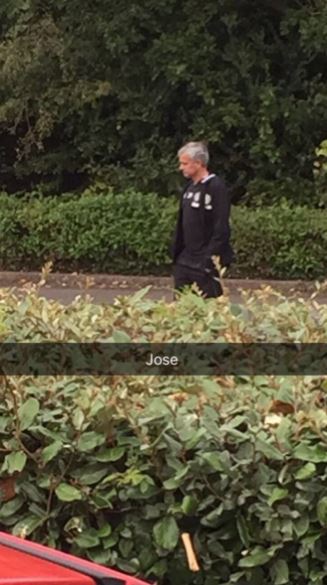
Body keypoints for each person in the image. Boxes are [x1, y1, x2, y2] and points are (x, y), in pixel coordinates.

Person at [171, 141, 234, 298]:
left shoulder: (215, 187)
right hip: (185, 260)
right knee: (180, 307)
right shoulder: (189, 188)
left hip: (204, 263)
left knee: (207, 309)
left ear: (198, 163)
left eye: (184, 163)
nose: (181, 168)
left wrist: (210, 259)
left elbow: (221, 227)